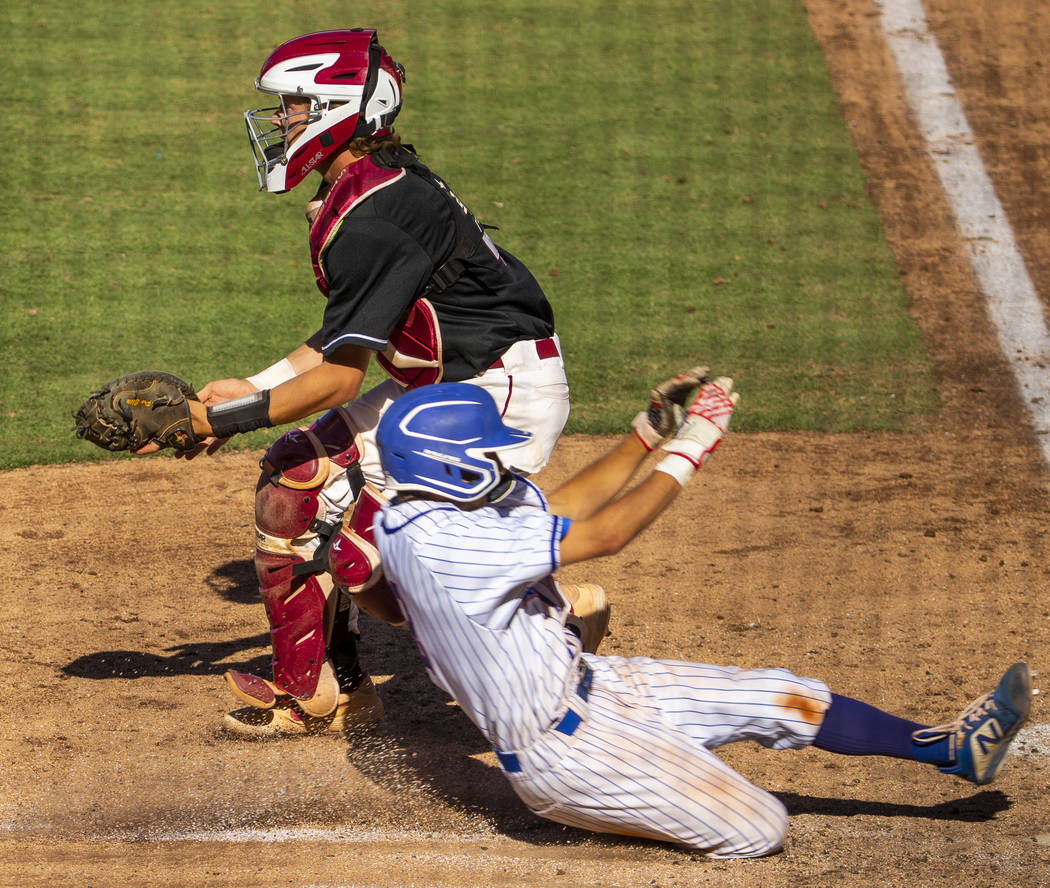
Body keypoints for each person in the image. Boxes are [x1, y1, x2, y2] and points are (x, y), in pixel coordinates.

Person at [371, 375, 1032, 858]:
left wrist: (645, 437)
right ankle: (621, 799)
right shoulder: (445, 545)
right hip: (565, 755)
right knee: (760, 827)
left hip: (599, 685)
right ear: (447, 464)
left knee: (783, 697)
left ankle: (952, 748)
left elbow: (554, 511)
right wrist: (691, 448)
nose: (501, 461)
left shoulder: (427, 511)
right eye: (487, 452)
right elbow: (602, 537)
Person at [146, 29, 574, 737]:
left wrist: (215, 424)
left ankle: (552, 619)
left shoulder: (378, 214)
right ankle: (320, 691)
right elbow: (343, 336)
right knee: (295, 478)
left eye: (292, 106)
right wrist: (248, 388)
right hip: (439, 393)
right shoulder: (366, 189)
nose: (280, 122)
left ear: (340, 108)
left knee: (373, 555)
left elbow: (340, 379)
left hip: (497, 398)